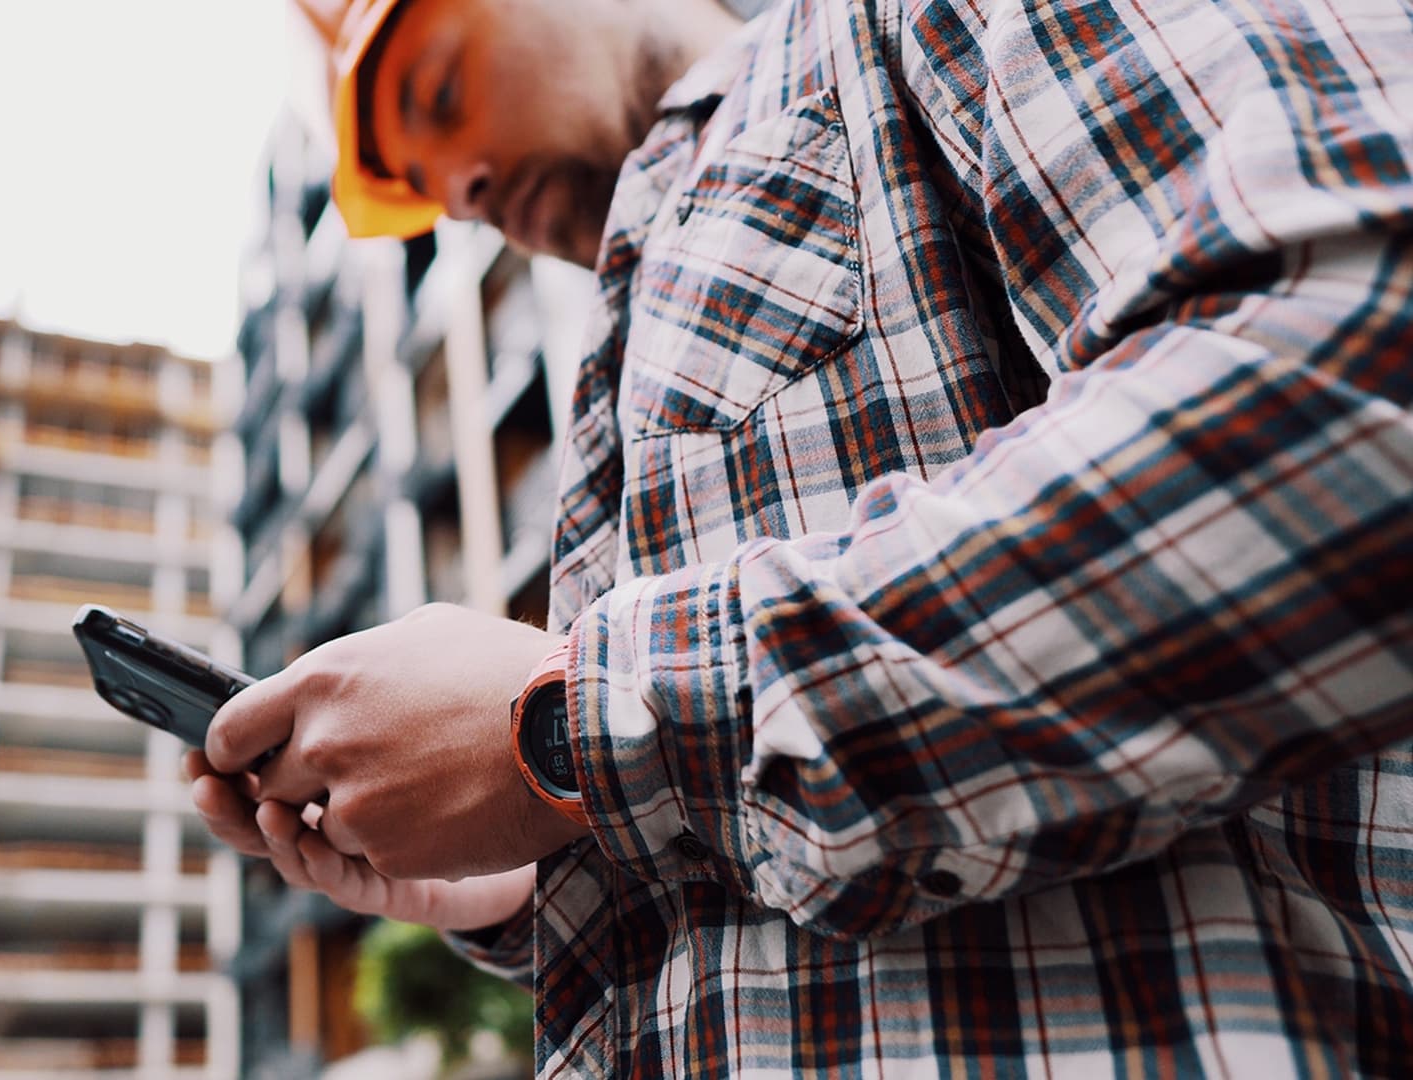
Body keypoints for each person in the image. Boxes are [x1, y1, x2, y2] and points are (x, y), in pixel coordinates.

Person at [190, 0, 1413, 1073]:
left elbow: (1354, 378)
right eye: (427, 184)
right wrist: (529, 862)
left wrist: (571, 723)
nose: (460, 190)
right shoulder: (622, 347)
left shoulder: (890, 34)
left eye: (439, 94)